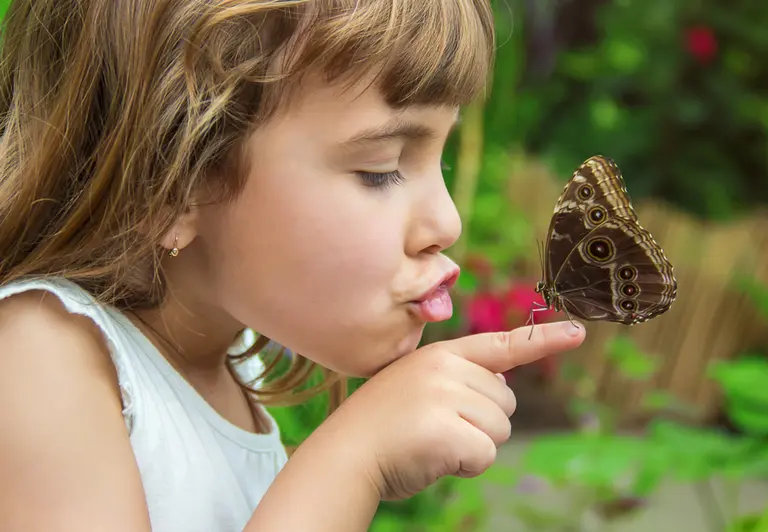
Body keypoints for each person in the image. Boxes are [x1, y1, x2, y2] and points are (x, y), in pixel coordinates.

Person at [0, 1, 586, 531]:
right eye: (380, 168)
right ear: (169, 183)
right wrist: (354, 460)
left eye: (443, 159)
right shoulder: (37, 357)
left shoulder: (227, 377)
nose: (447, 223)